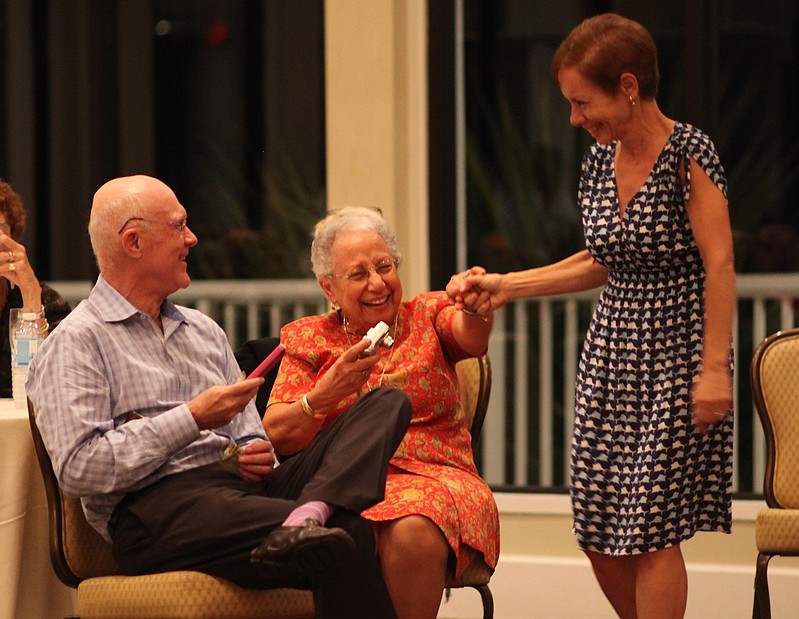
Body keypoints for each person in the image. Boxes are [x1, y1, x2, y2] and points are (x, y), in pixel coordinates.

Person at [449, 13, 735, 619]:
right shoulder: (598, 163)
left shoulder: (690, 153)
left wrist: (714, 370)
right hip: (612, 352)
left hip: (680, 351)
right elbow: (602, 260)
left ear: (628, 86)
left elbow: (720, 262)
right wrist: (506, 285)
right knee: (598, 519)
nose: (575, 119)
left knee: (654, 524)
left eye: (583, 103)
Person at [26, 175, 410, 619]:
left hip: (242, 494)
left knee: (387, 402)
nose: (191, 238)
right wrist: (191, 418)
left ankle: (308, 511)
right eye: (178, 226)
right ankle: (305, 520)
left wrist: (250, 451)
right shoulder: (75, 343)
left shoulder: (203, 331)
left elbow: (251, 437)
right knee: (348, 534)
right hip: (155, 511)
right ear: (133, 242)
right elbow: (79, 469)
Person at [262, 207, 500, 619]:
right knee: (346, 528)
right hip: (344, 485)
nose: (377, 283)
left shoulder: (426, 315)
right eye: (358, 274)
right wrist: (322, 395)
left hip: (438, 476)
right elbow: (277, 433)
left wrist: (476, 307)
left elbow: (470, 338)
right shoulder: (308, 338)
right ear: (329, 289)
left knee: (411, 528)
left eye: (384, 266)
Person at [0, 179, 70, 397]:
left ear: (12, 235)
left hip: (24, 426)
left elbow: (54, 383)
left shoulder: (45, 301)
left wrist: (30, 296)